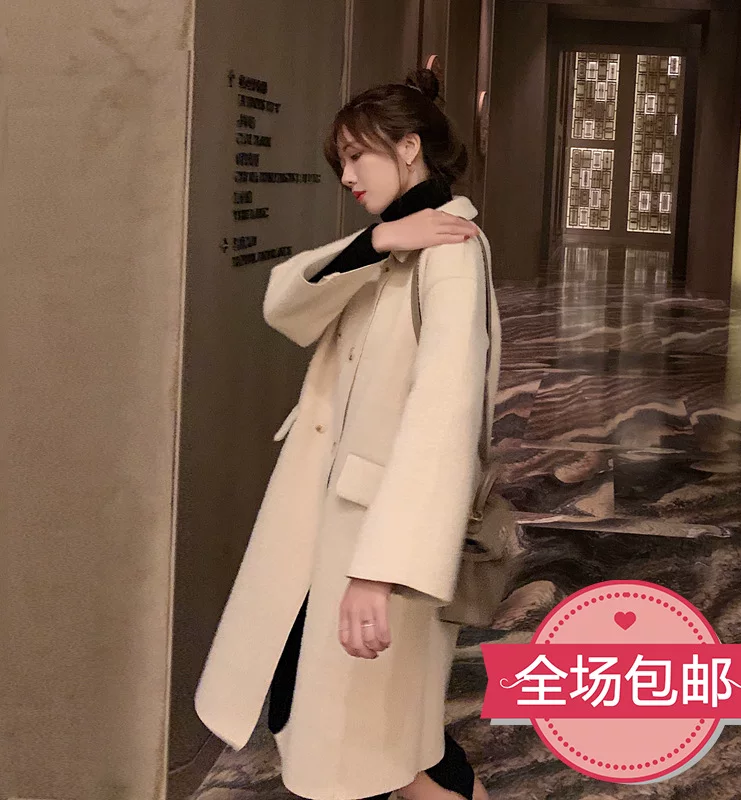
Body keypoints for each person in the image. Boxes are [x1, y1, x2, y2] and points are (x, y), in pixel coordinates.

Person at [194, 67, 501, 800]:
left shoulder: (450, 251)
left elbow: (442, 421)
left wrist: (378, 569)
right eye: (342, 161)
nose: (347, 176)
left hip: (373, 532)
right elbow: (285, 302)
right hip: (332, 518)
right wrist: (378, 240)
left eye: (358, 155)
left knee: (350, 731)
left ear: (409, 147)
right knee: (345, 719)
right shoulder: (401, 239)